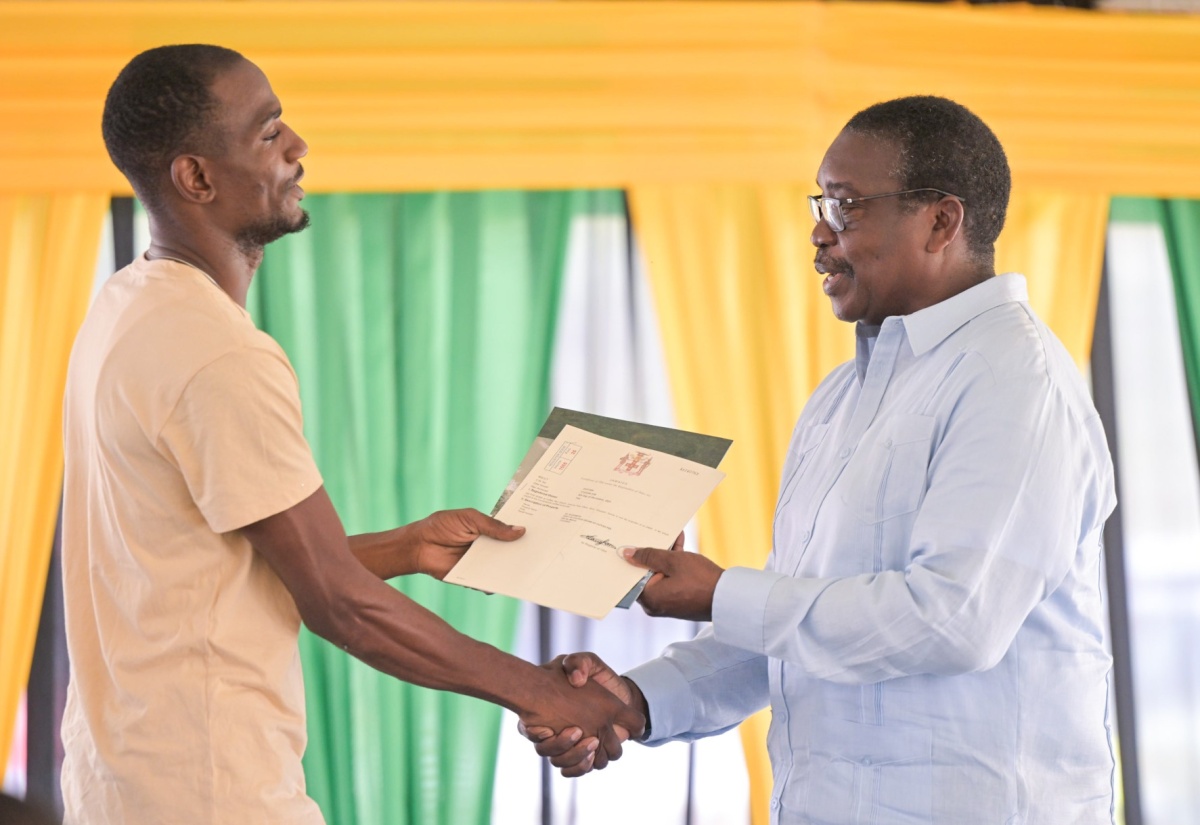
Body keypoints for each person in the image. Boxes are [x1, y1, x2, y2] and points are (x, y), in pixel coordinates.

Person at [61, 44, 643, 825]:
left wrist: (406, 547)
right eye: (269, 135)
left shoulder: (126, 307)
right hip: (212, 791)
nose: (298, 147)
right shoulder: (217, 351)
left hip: (122, 784)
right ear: (196, 178)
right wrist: (536, 690)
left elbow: (203, 566)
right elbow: (337, 599)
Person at [528, 96, 1118, 823]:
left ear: (941, 221)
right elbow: (796, 625)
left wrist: (719, 593)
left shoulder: (1014, 383)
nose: (818, 233)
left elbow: (951, 621)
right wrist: (635, 700)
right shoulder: (840, 397)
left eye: (846, 207)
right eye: (821, 204)